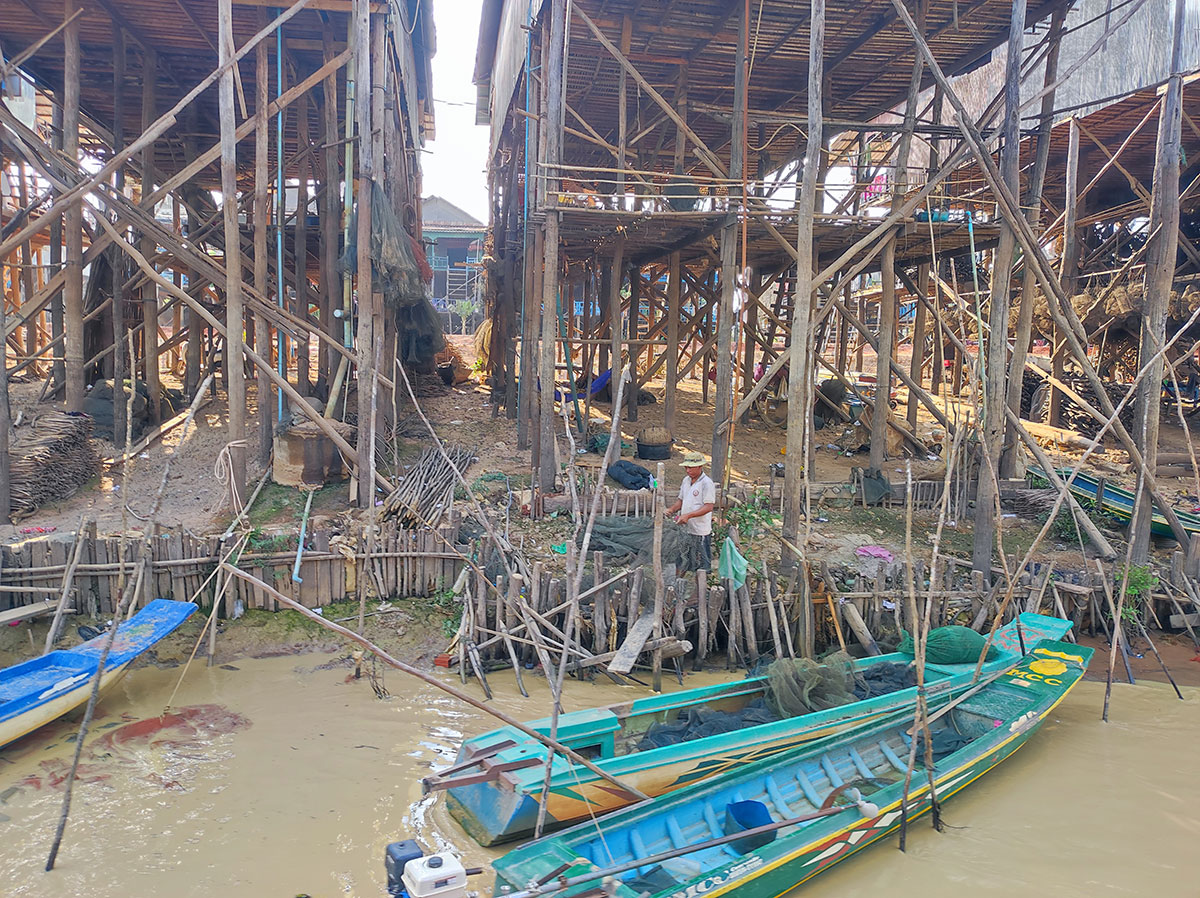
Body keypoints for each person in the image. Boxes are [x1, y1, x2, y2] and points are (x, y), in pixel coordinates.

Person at [666, 450, 716, 573]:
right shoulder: (686, 480)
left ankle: (702, 584)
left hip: (700, 530)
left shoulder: (706, 483)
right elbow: (681, 500)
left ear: (700, 467)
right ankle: (680, 582)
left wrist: (689, 515)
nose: (688, 471)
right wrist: (671, 509)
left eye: (691, 468)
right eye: (686, 468)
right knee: (683, 558)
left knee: (702, 561)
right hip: (686, 528)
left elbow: (709, 507)